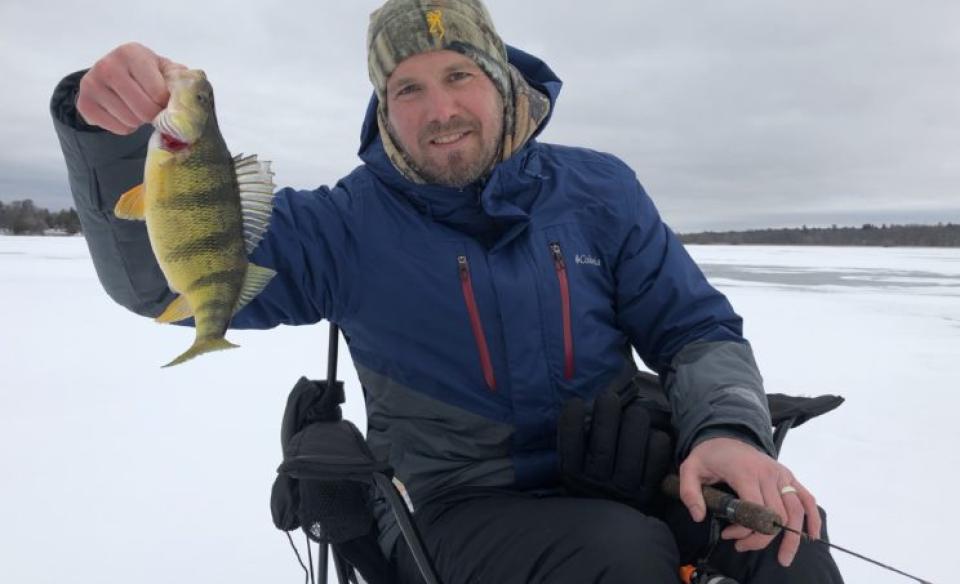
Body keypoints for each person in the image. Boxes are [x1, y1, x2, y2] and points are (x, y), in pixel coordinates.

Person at [50, 0, 844, 582]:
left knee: (787, 546)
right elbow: (160, 281)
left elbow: (695, 329)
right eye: (408, 89)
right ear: (384, 110)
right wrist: (113, 137)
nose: (441, 111)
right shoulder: (342, 225)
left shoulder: (600, 189)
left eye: (459, 75)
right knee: (619, 558)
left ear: (502, 82)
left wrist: (729, 429)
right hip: (453, 510)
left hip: (624, 470)